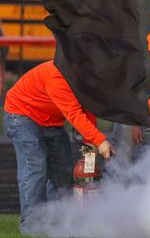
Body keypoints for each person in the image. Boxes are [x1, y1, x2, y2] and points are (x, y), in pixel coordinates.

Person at [3, 60, 114, 234]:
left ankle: (59, 221)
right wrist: (100, 141)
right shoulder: (57, 77)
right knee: (35, 166)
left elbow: (88, 111)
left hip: (50, 120)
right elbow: (74, 114)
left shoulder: (83, 78)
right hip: (22, 115)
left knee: (63, 171)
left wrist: (89, 149)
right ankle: (31, 224)